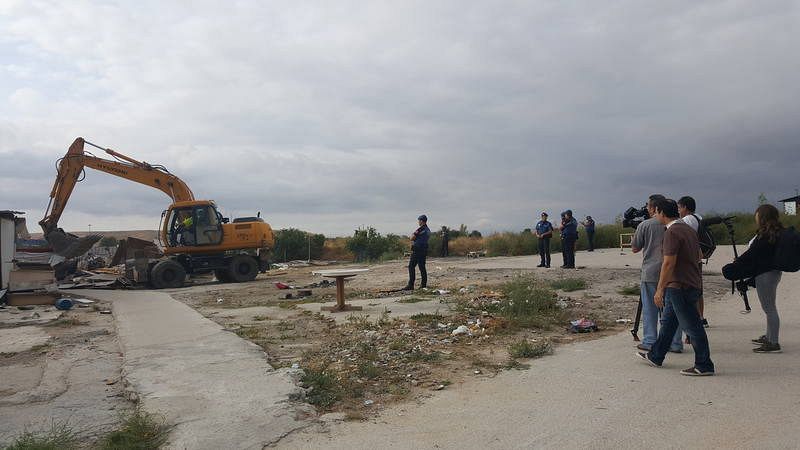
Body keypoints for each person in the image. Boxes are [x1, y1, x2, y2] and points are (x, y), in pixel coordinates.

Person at [638, 198, 714, 376]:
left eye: (656, 212)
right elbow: (699, 255)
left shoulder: (672, 232)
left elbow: (668, 263)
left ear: (662, 213)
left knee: (693, 326)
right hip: (690, 282)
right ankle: (656, 355)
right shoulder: (687, 229)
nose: (655, 215)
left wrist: (660, 288)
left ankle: (704, 364)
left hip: (680, 285)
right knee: (668, 323)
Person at [631, 194, 683, 353]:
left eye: (648, 206)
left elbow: (635, 248)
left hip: (651, 271)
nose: (646, 209)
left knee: (650, 309)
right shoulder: (679, 224)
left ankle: (650, 340)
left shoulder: (645, 225)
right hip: (673, 273)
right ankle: (675, 342)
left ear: (654, 208)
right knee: (672, 309)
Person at [736, 204, 784, 353]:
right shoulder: (776, 232)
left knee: (769, 307)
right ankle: (769, 337)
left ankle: (773, 342)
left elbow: (754, 253)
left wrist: (738, 263)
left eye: (757, 214)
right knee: (769, 306)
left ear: (762, 216)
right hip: (773, 273)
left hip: (766, 274)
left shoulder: (765, 235)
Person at [677, 195, 708, 328]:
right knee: (699, 289)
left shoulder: (687, 220)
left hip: (691, 259)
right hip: (699, 258)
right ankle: (701, 317)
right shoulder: (698, 217)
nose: (678, 210)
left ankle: (694, 319)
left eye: (679, 207)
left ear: (685, 207)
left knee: (691, 289)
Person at [403, 214, 430, 290]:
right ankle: (423, 285)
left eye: (419, 220)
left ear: (422, 221)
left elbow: (412, 238)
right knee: (422, 267)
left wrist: (414, 237)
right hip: (423, 250)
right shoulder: (428, 230)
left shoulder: (420, 229)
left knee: (411, 266)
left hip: (417, 250)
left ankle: (411, 285)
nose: (418, 222)